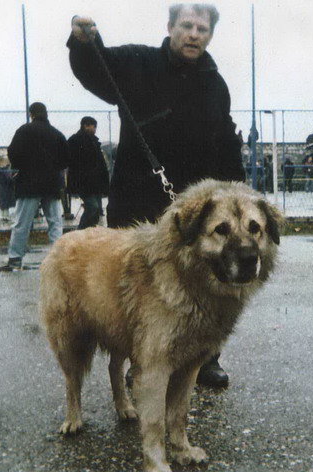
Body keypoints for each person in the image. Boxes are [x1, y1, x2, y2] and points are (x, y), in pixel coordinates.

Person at [67, 4, 246, 387]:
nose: (194, 34)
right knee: (139, 287)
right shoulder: (138, 62)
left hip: (198, 208)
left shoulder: (216, 83)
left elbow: (227, 139)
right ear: (170, 27)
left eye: (202, 28)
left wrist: (239, 191)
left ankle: (204, 359)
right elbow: (97, 69)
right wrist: (84, 44)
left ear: (210, 34)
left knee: (206, 282)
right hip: (138, 198)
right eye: (186, 26)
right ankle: (142, 357)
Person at [0, 102, 69, 271]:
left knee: (22, 222)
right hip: (52, 183)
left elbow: (13, 152)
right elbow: (66, 158)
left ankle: (15, 258)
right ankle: (57, 259)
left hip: (29, 182)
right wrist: (54, 168)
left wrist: (21, 166)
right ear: (46, 113)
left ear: (31, 114)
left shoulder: (24, 131)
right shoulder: (56, 133)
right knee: (55, 222)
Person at [67, 116, 109, 229]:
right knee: (93, 207)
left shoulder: (93, 141)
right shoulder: (76, 141)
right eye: (93, 126)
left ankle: (89, 232)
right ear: (85, 125)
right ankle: (80, 232)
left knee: (95, 210)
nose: (95, 129)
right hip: (85, 182)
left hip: (93, 182)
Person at [0, 155, 16, 223]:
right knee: (6, 203)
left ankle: (3, 216)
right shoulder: (5, 171)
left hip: (1, 189)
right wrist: (14, 178)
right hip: (7, 189)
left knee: (3, 204)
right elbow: (9, 179)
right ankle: (6, 217)